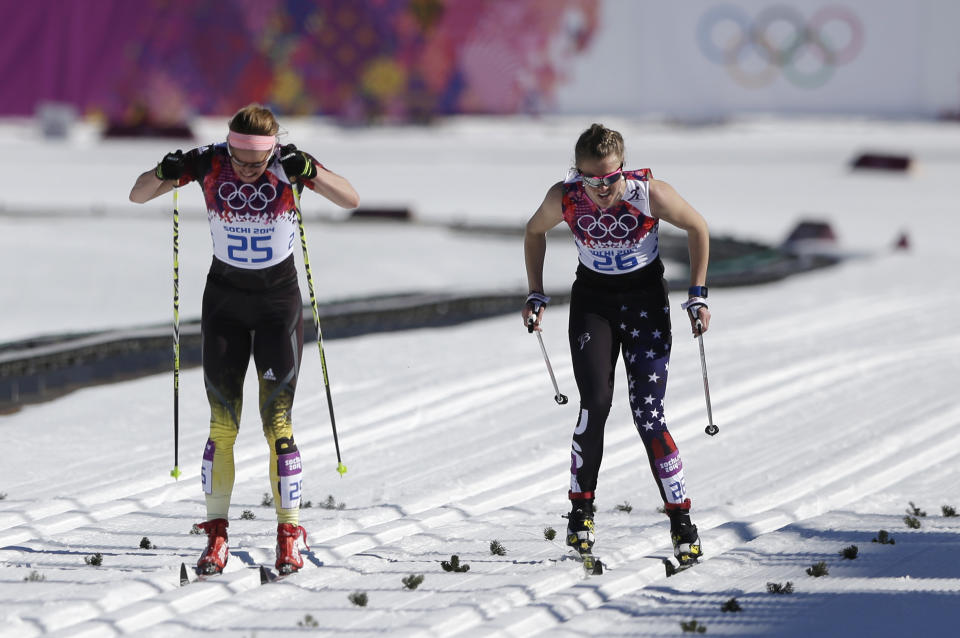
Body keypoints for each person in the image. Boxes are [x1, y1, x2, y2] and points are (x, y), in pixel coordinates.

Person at [129, 104, 359, 575]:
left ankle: (289, 534)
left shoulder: (288, 162)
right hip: (224, 305)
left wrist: (311, 173)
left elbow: (350, 198)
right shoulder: (209, 161)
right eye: (239, 158)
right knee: (222, 426)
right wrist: (162, 172)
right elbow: (138, 195)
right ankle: (216, 536)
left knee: (278, 424)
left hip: (277, 306)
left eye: (256, 162)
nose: (247, 170)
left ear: (272, 149)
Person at [522, 123, 709, 566]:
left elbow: (698, 228)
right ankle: (581, 512)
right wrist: (535, 292)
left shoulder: (650, 193)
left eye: (609, 178)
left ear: (622, 167)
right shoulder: (564, 197)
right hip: (594, 303)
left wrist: (698, 293)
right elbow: (534, 232)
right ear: (577, 172)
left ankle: (682, 521)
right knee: (595, 405)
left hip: (645, 302)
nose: (602, 190)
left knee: (649, 414)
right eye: (590, 179)